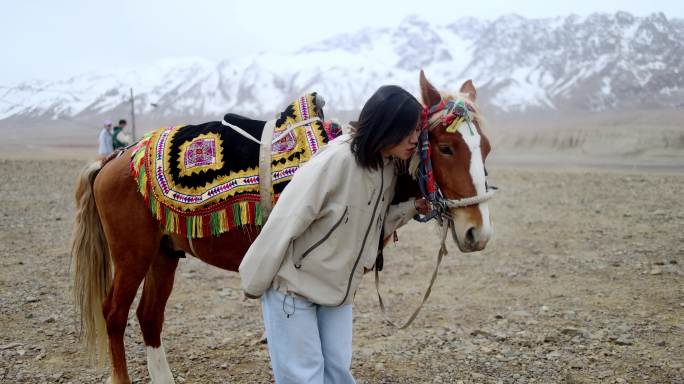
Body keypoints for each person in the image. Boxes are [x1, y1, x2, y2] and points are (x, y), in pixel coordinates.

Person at [239, 85, 429, 384]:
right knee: (304, 377)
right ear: (386, 126)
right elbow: (287, 218)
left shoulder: (388, 169)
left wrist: (411, 208)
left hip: (338, 290)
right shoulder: (337, 160)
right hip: (294, 288)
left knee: (338, 373)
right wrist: (254, 280)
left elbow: (372, 225)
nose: (415, 139)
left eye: (417, 130)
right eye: (408, 131)